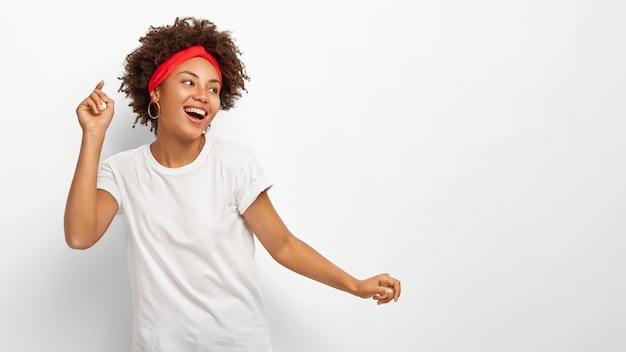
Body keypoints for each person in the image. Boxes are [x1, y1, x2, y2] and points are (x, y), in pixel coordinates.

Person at [64, 16, 401, 351]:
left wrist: (355, 285)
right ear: (156, 92)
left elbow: (283, 245)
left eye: (213, 88)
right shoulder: (125, 171)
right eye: (189, 82)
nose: (203, 96)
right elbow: (80, 235)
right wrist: (93, 135)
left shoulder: (234, 164)